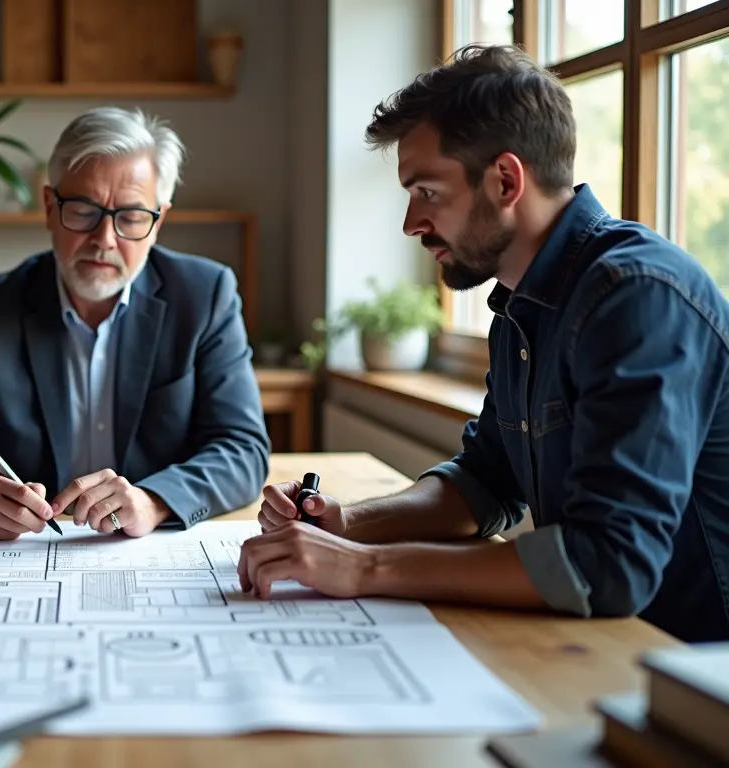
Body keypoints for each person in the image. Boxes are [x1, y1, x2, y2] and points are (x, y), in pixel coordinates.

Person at [238, 44, 729, 644]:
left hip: (694, 668)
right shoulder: (521, 303)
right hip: (613, 649)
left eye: (427, 192)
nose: (411, 223)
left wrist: (366, 568)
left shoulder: (637, 296)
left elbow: (608, 564)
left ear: (505, 180)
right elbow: (487, 482)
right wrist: (346, 526)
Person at [0, 106, 270, 540]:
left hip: (148, 547)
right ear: (50, 207)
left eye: (131, 217)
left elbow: (242, 449)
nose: (104, 239)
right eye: (85, 211)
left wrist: (155, 500)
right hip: (28, 550)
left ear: (158, 221)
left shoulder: (204, 296)